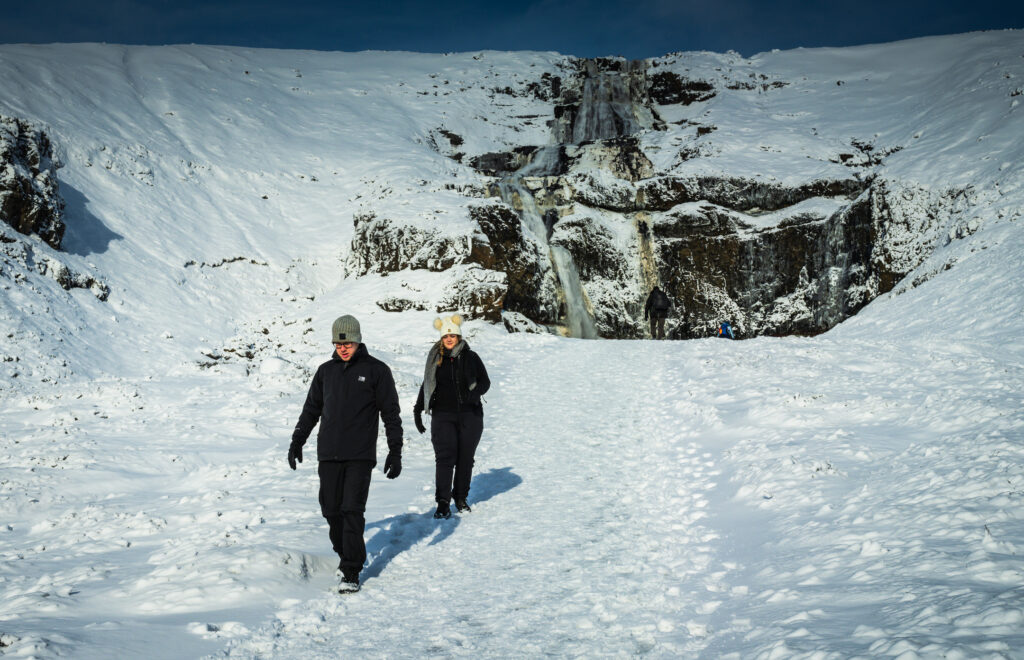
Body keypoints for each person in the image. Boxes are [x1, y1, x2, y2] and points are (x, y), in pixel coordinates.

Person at [288, 314, 403, 594]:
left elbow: (390, 413)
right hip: (328, 453)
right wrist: (297, 441)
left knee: (352, 509)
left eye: (348, 342)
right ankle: (345, 552)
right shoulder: (325, 371)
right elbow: (311, 409)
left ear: (358, 340)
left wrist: (395, 450)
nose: (343, 348)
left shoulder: (377, 371)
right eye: (338, 343)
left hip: (359, 455)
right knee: (331, 510)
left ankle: (351, 569)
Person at [413, 314, 490, 520]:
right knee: (445, 459)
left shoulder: (471, 357)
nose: (449, 339)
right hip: (443, 415)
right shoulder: (435, 359)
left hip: (470, 415)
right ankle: (443, 502)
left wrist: (473, 396)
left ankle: (461, 497)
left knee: (465, 459)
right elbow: (427, 385)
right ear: (441, 338)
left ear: (458, 337)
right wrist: (418, 409)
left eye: (453, 336)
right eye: (446, 336)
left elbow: (485, 382)